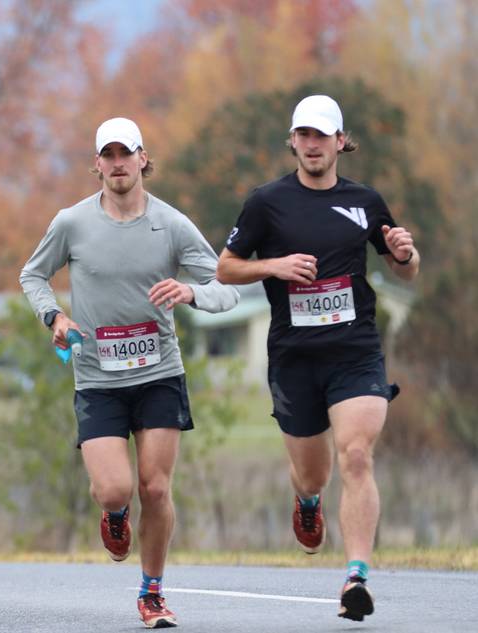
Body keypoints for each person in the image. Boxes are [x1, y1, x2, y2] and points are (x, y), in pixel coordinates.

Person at [20, 117, 239, 628]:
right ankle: (114, 516)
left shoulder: (172, 225)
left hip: (160, 372)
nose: (118, 163)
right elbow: (33, 274)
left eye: (127, 153)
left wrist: (191, 292)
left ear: (143, 159)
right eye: (108, 155)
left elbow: (227, 286)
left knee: (156, 489)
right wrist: (54, 316)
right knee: (115, 490)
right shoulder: (72, 222)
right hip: (98, 377)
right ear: (97, 163)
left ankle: (153, 592)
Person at [216, 95, 420, 622]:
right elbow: (226, 268)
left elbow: (404, 268)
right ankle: (308, 502)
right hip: (294, 357)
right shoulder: (266, 203)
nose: (311, 144)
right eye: (302, 135)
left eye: (320, 136)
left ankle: (356, 576)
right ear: (293, 141)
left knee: (356, 454)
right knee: (313, 474)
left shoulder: (365, 201)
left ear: (339, 142)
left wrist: (405, 253)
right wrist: (275, 266)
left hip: (354, 351)